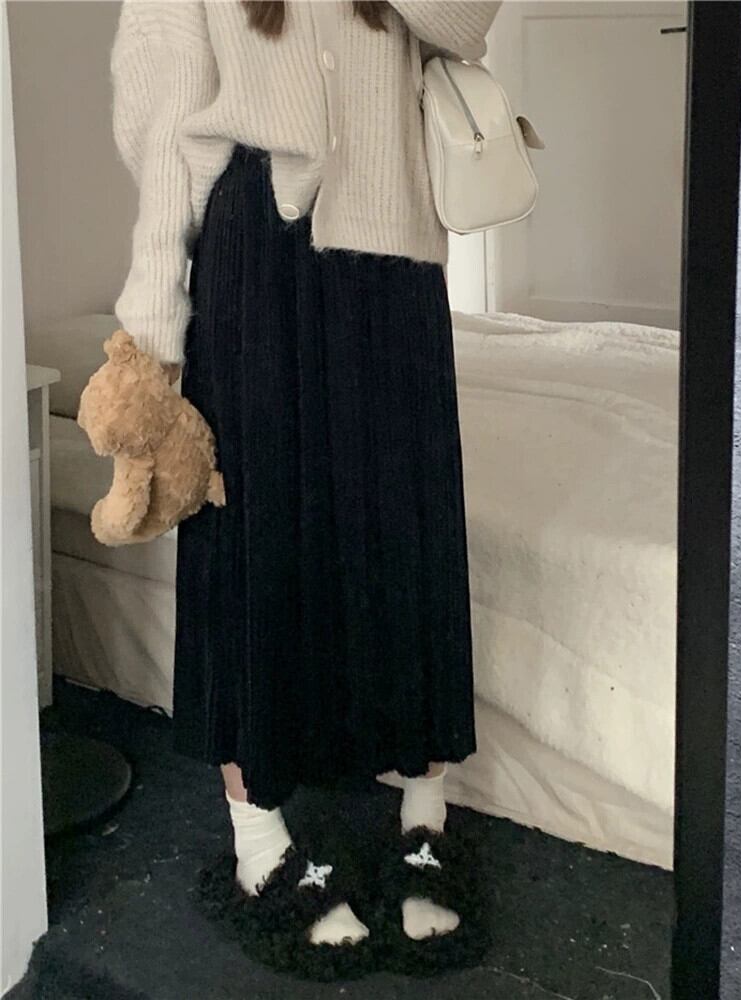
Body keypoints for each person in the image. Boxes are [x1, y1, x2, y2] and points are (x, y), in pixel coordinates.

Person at [108, 0, 501, 960]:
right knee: (250, 534)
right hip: (256, 250)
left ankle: (425, 816)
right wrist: (152, 333)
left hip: (397, 243)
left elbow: (464, 20)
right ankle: (258, 840)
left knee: (408, 526)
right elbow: (166, 118)